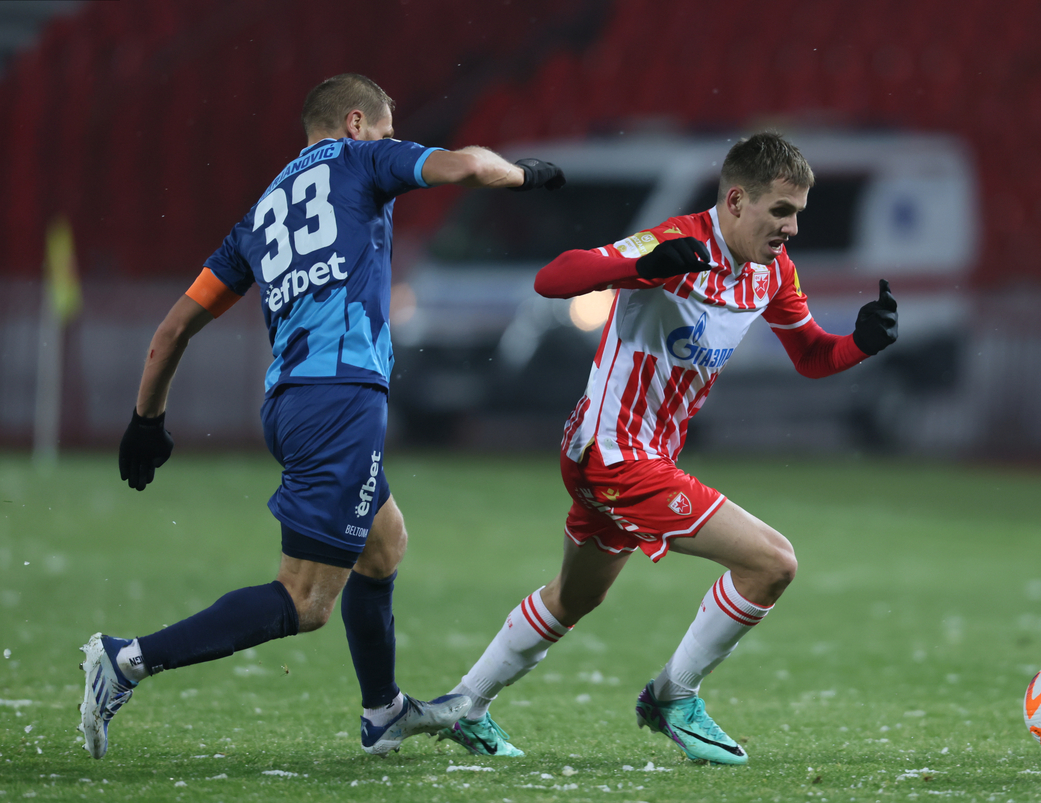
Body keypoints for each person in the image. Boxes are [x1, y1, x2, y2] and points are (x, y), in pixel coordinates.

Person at [78, 73, 566, 760]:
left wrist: (146, 418)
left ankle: (383, 711)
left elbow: (174, 328)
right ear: (357, 122)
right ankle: (126, 658)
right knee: (305, 599)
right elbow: (470, 165)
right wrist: (528, 176)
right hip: (339, 398)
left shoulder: (261, 212)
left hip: (291, 402)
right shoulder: (364, 158)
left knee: (383, 543)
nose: (396, 143)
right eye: (391, 130)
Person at [436, 131, 897, 764]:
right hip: (615, 451)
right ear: (736, 200)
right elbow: (553, 278)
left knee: (575, 597)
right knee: (772, 563)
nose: (791, 228)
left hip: (631, 455)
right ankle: (673, 696)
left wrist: (862, 344)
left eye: (798, 214)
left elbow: (812, 357)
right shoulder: (674, 241)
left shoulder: (772, 271)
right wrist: (638, 266)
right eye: (781, 211)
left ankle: (466, 704)